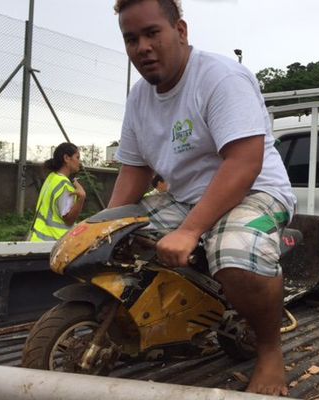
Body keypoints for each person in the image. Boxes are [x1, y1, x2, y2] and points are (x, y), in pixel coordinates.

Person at [109, 0, 296, 395]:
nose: (141, 46)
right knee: (119, 237)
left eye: (151, 33)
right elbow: (134, 170)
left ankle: (269, 350)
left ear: (180, 30)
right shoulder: (139, 97)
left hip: (255, 191)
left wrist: (191, 230)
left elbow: (244, 163)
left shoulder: (221, 77)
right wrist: (105, 227)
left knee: (234, 254)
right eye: (131, 38)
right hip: (186, 199)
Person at [29, 142, 86, 242]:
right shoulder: (63, 184)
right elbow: (69, 220)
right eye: (77, 157)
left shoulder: (52, 177)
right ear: (66, 158)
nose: (79, 162)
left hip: (38, 239)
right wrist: (81, 198)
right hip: (52, 243)